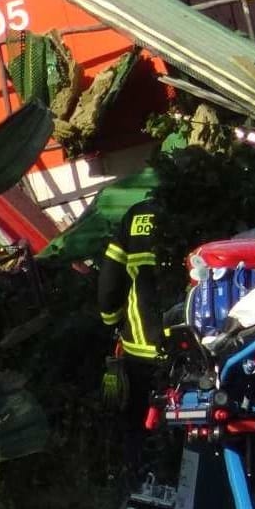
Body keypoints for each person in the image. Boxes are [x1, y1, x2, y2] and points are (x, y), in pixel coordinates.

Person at [97, 198, 164, 483]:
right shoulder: (206, 205)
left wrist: (111, 320)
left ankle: (137, 491)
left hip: (140, 347)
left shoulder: (137, 215)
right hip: (195, 348)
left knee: (137, 426)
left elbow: (110, 282)